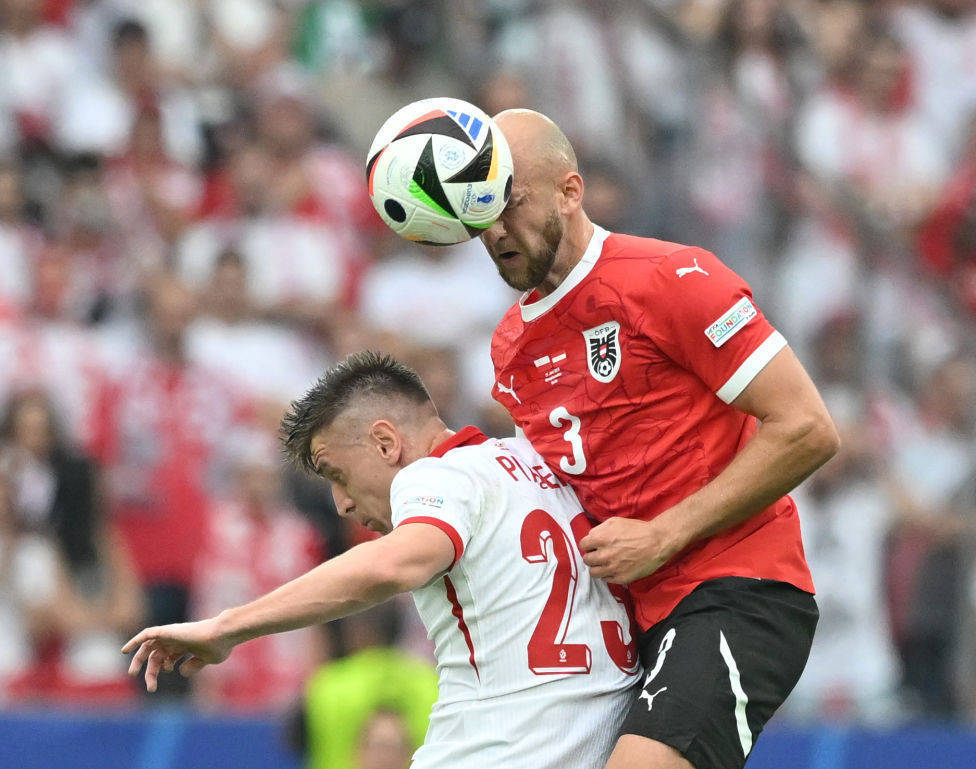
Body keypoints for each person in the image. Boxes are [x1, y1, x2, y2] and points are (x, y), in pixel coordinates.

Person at [483, 109, 840, 769]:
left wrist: (665, 532)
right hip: (629, 624)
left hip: (738, 588)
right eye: (482, 212)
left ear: (570, 190)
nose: (497, 229)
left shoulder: (675, 278)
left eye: (512, 203)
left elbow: (808, 428)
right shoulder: (510, 347)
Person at [123, 351, 639, 769]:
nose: (341, 504)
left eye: (337, 474)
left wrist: (227, 627)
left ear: (387, 442)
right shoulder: (540, 462)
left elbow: (395, 564)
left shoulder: (434, 475)